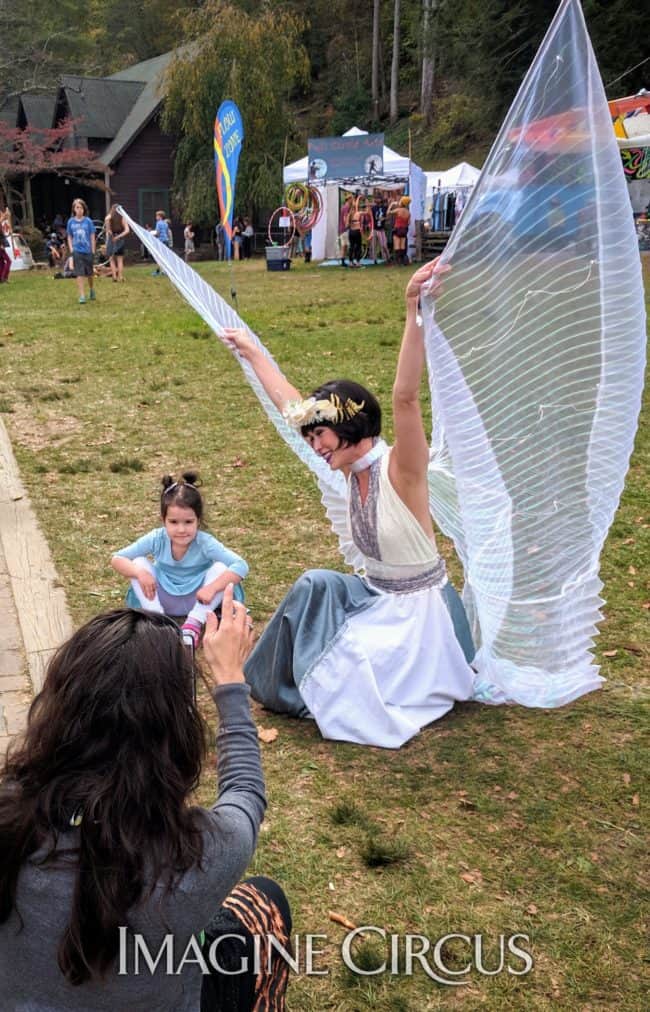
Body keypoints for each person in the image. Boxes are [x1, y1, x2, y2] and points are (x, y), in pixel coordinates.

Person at [222, 259, 476, 749]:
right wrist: (253, 353)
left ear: (353, 431)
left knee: (349, 674)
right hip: (374, 594)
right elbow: (292, 406)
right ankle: (263, 680)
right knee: (313, 585)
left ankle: (315, 692)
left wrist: (413, 313)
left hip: (419, 621)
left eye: (322, 436)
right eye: (312, 438)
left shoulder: (400, 470)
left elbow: (405, 399)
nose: (315, 446)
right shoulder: (347, 469)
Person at [0, 585, 292, 1010]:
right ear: (174, 732)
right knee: (263, 902)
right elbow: (245, 793)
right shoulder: (193, 859)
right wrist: (230, 683)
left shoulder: (9, 817)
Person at [110, 472, 249, 649]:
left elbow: (241, 565)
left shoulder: (205, 542)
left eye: (188, 522)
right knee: (138, 563)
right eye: (174, 522)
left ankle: (193, 625)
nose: (181, 529)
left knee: (222, 568)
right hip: (162, 598)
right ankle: (158, 621)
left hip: (199, 599)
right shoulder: (156, 538)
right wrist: (140, 573)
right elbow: (117, 558)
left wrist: (211, 588)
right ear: (163, 521)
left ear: (198, 521)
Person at [66, 198, 96, 303]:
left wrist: (93, 250)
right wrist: (71, 249)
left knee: (89, 273)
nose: (79, 210)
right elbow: (69, 236)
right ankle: (82, 295)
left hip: (87, 250)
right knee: (79, 273)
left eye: (81, 207)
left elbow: (92, 236)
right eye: (77, 207)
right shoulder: (70, 222)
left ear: (84, 209)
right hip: (77, 251)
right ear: (74, 209)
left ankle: (92, 289)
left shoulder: (88, 221)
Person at [104, 204, 130, 282]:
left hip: (111, 240)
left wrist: (110, 239)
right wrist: (118, 237)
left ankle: (114, 276)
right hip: (120, 239)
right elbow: (127, 230)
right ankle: (120, 277)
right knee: (120, 259)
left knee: (111, 259)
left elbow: (108, 231)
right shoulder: (123, 218)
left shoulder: (108, 218)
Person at [390, 195, 411, 265]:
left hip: (397, 229)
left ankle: (397, 261)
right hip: (404, 230)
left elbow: (388, 212)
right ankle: (403, 261)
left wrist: (391, 204)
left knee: (397, 246)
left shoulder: (398, 210)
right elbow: (409, 223)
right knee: (402, 246)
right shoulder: (408, 212)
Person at [371, 193, 389, 263]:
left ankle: (387, 258)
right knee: (374, 244)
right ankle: (374, 259)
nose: (377, 200)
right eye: (376, 199)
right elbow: (371, 217)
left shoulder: (385, 207)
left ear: (381, 199)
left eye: (378, 198)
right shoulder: (373, 208)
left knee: (384, 245)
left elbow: (388, 216)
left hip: (381, 229)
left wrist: (383, 218)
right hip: (374, 228)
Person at [151, 210, 171, 275]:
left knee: (159, 257)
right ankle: (165, 271)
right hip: (166, 241)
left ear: (160, 217)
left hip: (161, 241)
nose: (156, 217)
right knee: (165, 257)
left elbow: (157, 233)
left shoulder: (158, 223)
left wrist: (151, 234)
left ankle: (158, 271)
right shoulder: (165, 223)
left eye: (157, 216)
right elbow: (167, 233)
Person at [347, 200, 363, 268]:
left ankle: (350, 262)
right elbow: (367, 212)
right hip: (357, 232)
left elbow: (346, 225)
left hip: (351, 232)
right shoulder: (358, 213)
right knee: (358, 247)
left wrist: (352, 223)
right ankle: (357, 262)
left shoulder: (349, 215)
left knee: (351, 247)